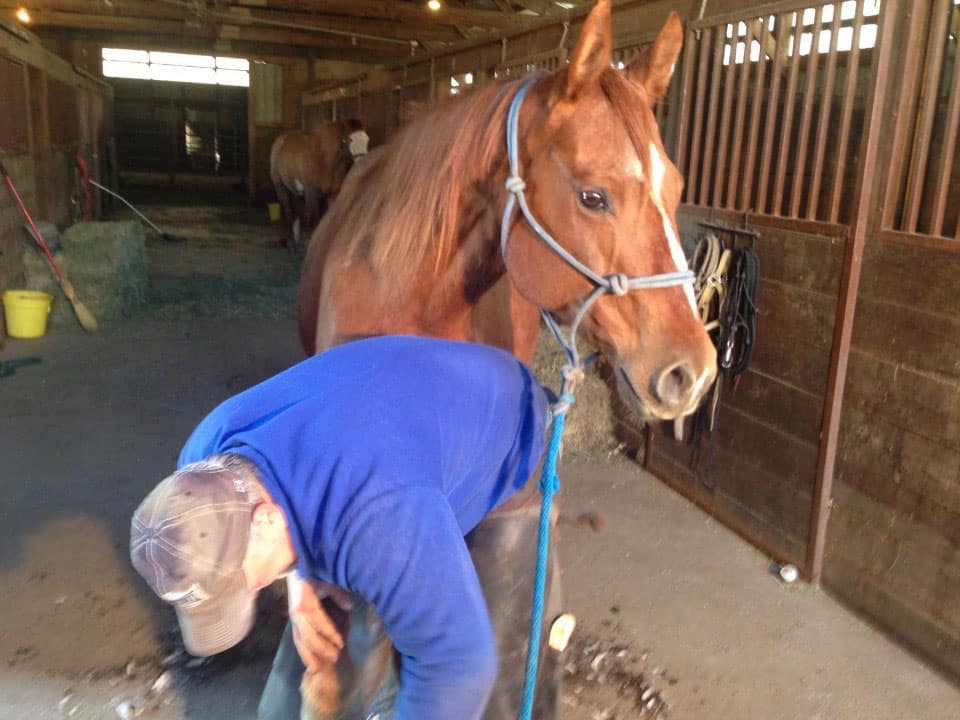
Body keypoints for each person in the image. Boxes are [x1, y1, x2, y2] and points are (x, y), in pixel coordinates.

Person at [129, 335, 565, 720]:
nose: (249, 591)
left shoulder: (374, 513)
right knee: (337, 619)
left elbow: (458, 663)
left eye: (241, 583)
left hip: (505, 422)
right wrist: (299, 586)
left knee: (482, 673)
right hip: (392, 421)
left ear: (264, 519)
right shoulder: (201, 462)